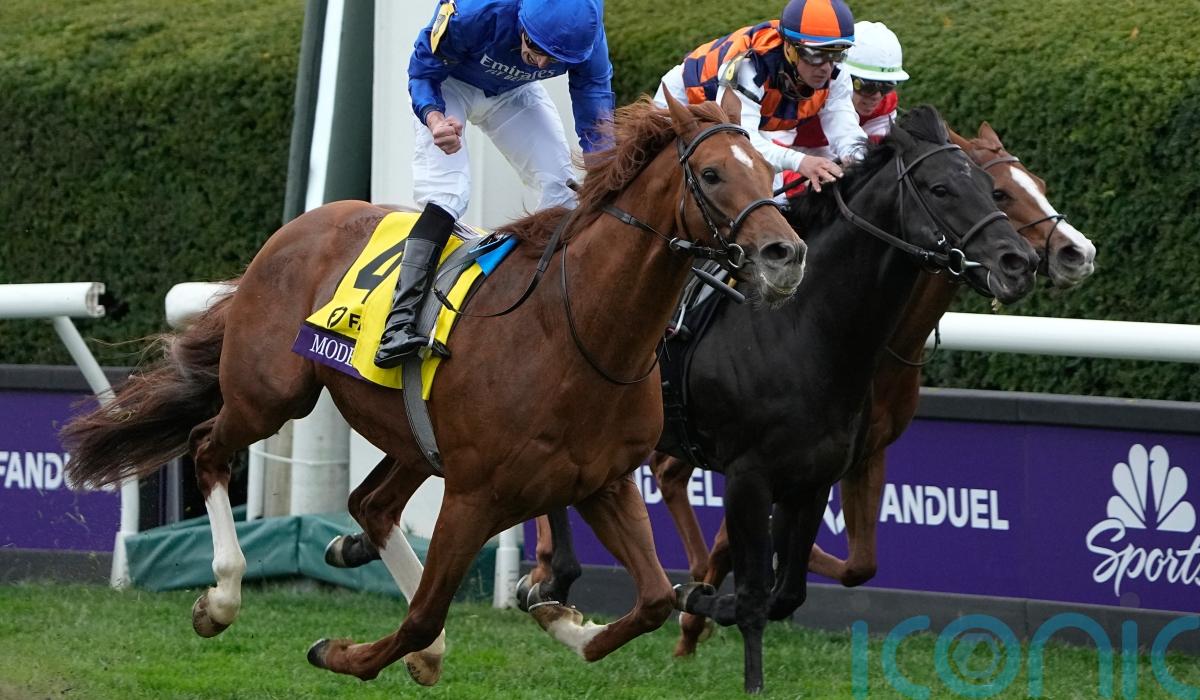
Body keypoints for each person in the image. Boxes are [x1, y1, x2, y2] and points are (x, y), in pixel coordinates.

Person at [377, 0, 614, 368]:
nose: (541, 64)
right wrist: (434, 118)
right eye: (535, 47)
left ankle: (552, 305)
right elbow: (423, 71)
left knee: (562, 187)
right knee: (449, 192)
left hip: (514, 93)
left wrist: (608, 172)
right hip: (449, 82)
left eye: (554, 59)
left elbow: (594, 107)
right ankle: (399, 323)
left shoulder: (588, 36)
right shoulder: (476, 11)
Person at [654, 0, 866, 194]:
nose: (826, 67)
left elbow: (844, 128)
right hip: (684, 98)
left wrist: (864, 159)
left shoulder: (836, 73)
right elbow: (740, 144)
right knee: (661, 176)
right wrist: (801, 161)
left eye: (836, 54)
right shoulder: (750, 67)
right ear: (789, 47)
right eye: (816, 55)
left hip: (746, 121)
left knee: (774, 195)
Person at [780, 19, 907, 194]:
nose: (876, 97)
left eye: (887, 86)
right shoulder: (799, 95)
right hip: (783, 154)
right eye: (866, 86)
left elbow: (870, 161)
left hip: (831, 154)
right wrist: (801, 185)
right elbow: (768, 158)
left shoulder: (885, 104)